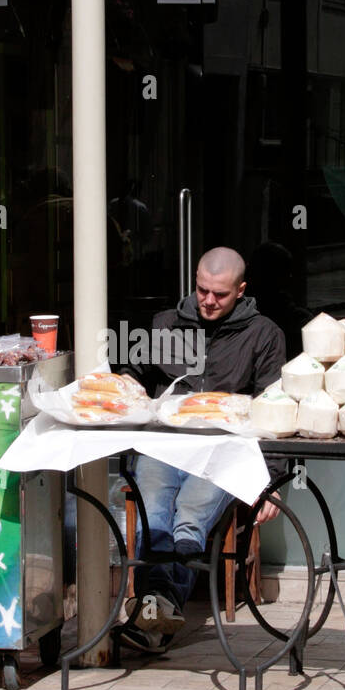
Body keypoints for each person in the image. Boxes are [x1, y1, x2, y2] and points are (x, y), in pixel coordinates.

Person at [118, 247, 285, 654]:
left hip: (222, 451)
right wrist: (127, 384)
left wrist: (273, 480)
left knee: (190, 518)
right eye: (202, 290)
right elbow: (130, 375)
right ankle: (157, 615)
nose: (208, 301)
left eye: (220, 295)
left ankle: (153, 615)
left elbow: (277, 411)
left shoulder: (264, 335)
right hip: (166, 444)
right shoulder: (164, 325)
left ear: (241, 291)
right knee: (153, 516)